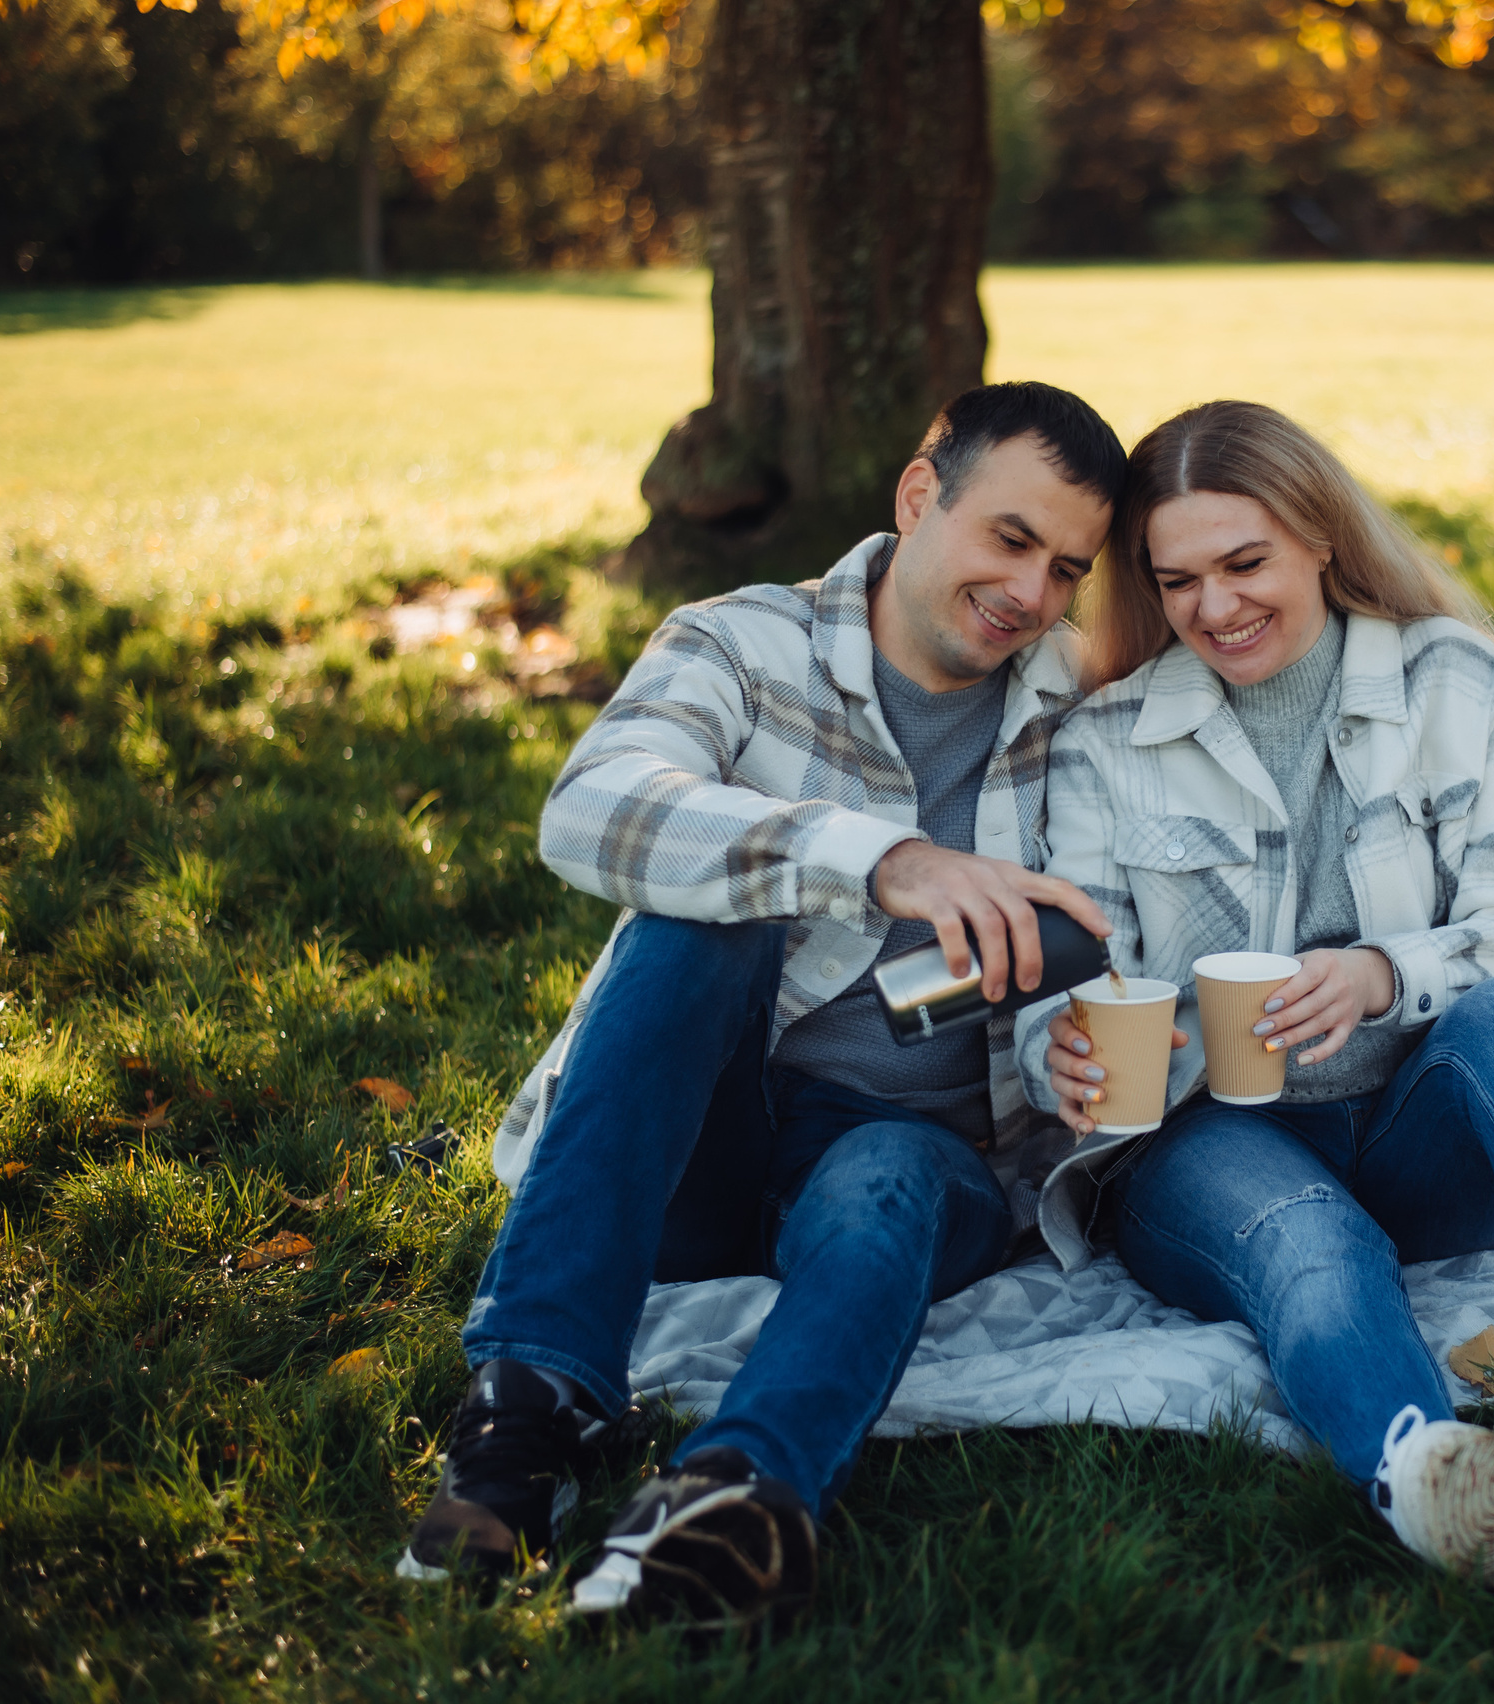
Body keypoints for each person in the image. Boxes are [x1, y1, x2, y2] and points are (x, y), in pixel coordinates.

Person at [1018, 400, 1494, 1588]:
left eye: (1244, 563)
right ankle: (1427, 1475)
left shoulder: (1460, 681)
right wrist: (1057, 1055)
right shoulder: (1105, 738)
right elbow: (1058, 990)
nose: (1215, 608)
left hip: (1426, 1134)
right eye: (1177, 582)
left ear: (1320, 535)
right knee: (1310, 1242)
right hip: (1212, 1143)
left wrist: (1384, 972)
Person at [398, 381, 1125, 1631]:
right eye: (1010, 540)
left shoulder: (1087, 710)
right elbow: (592, 805)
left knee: (890, 1170)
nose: (1032, 596)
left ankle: (734, 1494)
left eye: (1067, 568)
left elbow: (1134, 918)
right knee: (701, 915)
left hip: (909, 1160)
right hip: (692, 1139)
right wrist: (874, 859)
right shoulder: (740, 641)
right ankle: (532, 1406)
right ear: (917, 495)